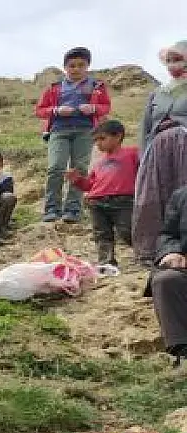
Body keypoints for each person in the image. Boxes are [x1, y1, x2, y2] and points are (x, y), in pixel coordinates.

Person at [34, 46, 112, 223]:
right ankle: (51, 209)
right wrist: (57, 110)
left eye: (81, 65)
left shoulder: (97, 86)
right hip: (58, 131)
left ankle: (73, 209)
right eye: (72, 65)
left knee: (80, 169)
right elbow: (39, 110)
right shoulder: (54, 87)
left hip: (85, 132)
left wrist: (93, 108)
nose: (76, 69)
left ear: (87, 66)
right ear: (65, 67)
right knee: (55, 168)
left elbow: (106, 106)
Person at [133, 41, 187, 266]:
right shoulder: (157, 93)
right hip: (157, 148)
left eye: (179, 59)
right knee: (153, 197)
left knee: (183, 195)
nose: (173, 65)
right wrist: (143, 156)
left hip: (184, 143)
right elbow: (146, 127)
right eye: (170, 60)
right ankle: (152, 250)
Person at [66, 120, 140, 266]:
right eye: (95, 140)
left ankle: (146, 253)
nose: (98, 144)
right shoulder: (99, 162)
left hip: (123, 200)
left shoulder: (132, 153)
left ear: (118, 136)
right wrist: (77, 180)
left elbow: (144, 171)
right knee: (101, 234)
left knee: (127, 231)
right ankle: (106, 262)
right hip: (96, 202)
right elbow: (90, 185)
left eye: (102, 138)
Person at [145, 186, 187, 365]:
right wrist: (170, 252)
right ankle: (182, 349)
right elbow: (168, 234)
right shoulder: (182, 195)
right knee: (166, 280)